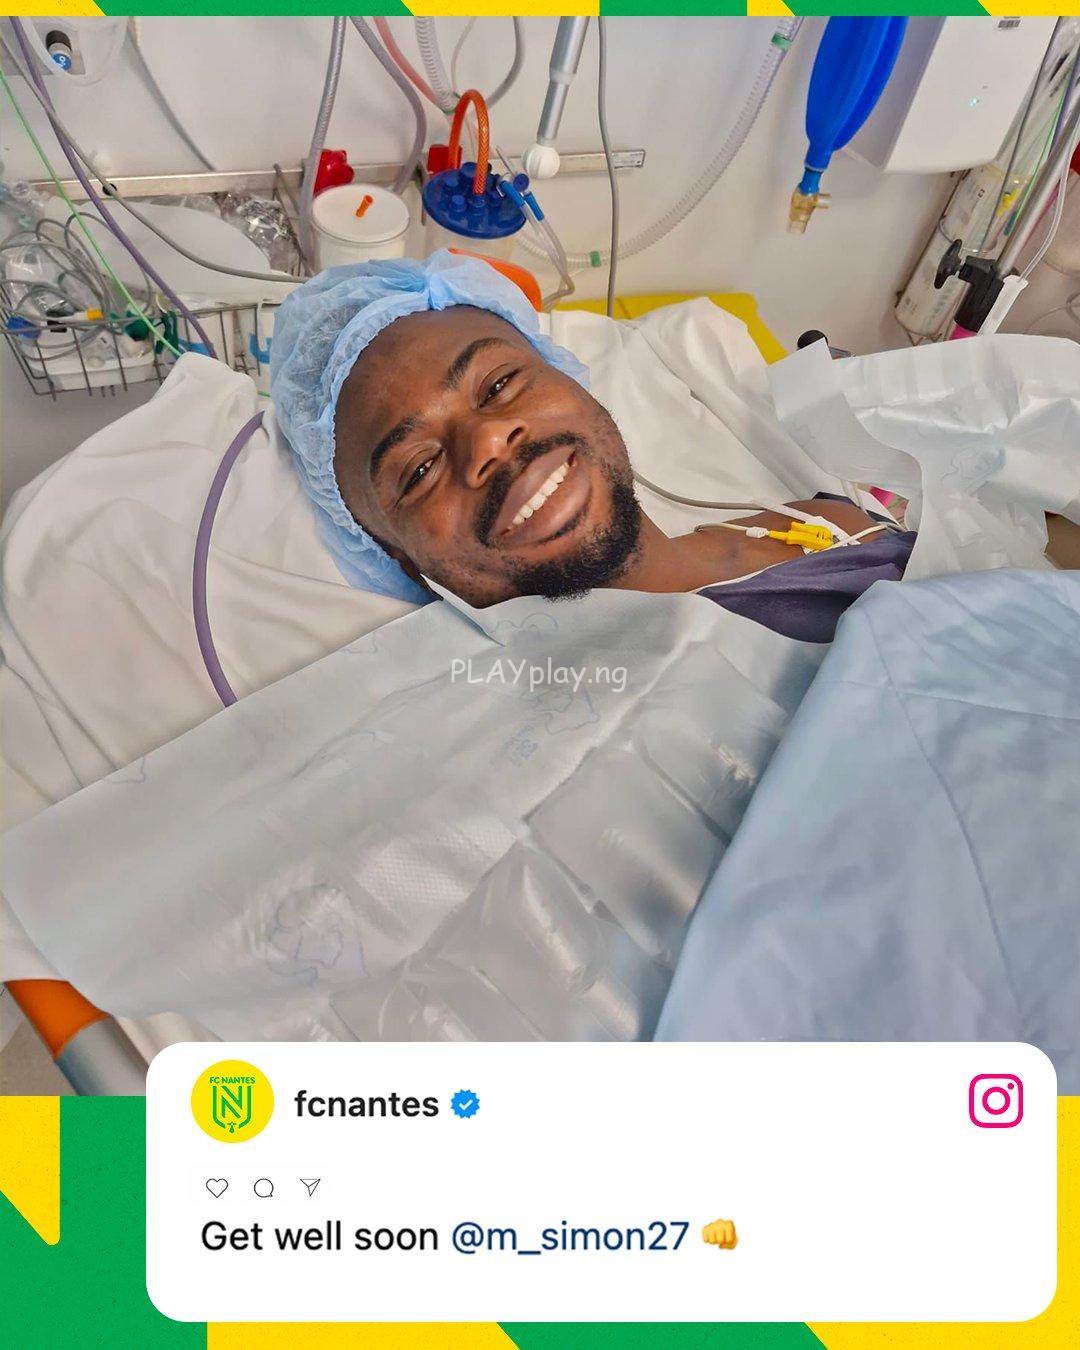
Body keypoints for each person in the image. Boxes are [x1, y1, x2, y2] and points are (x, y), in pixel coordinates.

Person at [274, 252, 914, 641]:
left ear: (570, 379)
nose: (489, 439)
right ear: (405, 563)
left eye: (498, 384)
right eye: (419, 470)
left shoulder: (818, 523)